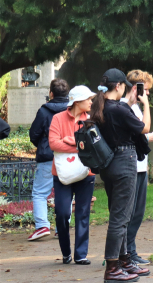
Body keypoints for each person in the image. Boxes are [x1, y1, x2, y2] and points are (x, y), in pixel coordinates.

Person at [91, 69, 150, 282]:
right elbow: (145, 128)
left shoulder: (100, 107)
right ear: (118, 86)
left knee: (120, 216)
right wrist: (146, 105)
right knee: (120, 218)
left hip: (109, 164)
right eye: (123, 85)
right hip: (124, 163)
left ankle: (124, 262)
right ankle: (113, 268)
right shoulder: (119, 109)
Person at [48, 85, 96, 264]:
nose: (91, 102)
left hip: (86, 172)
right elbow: (53, 144)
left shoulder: (91, 121)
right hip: (62, 174)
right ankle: (66, 252)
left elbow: (92, 145)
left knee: (83, 214)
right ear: (77, 101)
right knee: (61, 212)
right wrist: (77, 142)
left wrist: (67, 141)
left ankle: (81, 255)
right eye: (88, 99)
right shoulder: (57, 119)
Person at [120, 70, 153, 265]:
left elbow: (140, 132)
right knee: (129, 213)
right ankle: (126, 253)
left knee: (138, 212)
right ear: (133, 88)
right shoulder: (124, 107)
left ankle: (131, 250)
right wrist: (148, 135)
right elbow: (135, 133)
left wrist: (149, 135)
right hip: (130, 166)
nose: (146, 94)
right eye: (143, 90)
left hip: (140, 165)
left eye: (147, 90)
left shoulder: (136, 108)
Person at [27, 79, 70, 241]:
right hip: (68, 156)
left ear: (51, 93)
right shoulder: (72, 110)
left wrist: (43, 143)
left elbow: (34, 134)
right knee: (65, 192)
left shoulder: (44, 111)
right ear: (67, 93)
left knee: (40, 193)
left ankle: (42, 226)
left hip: (48, 156)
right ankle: (62, 227)